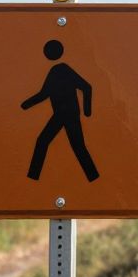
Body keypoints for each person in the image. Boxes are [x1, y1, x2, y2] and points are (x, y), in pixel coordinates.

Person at [21, 39, 100, 182]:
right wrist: (26, 104)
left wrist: (87, 111)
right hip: (61, 114)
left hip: (68, 114)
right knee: (67, 145)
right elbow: (44, 93)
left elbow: (87, 87)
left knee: (49, 142)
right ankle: (93, 177)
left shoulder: (63, 69)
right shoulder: (55, 71)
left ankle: (32, 177)